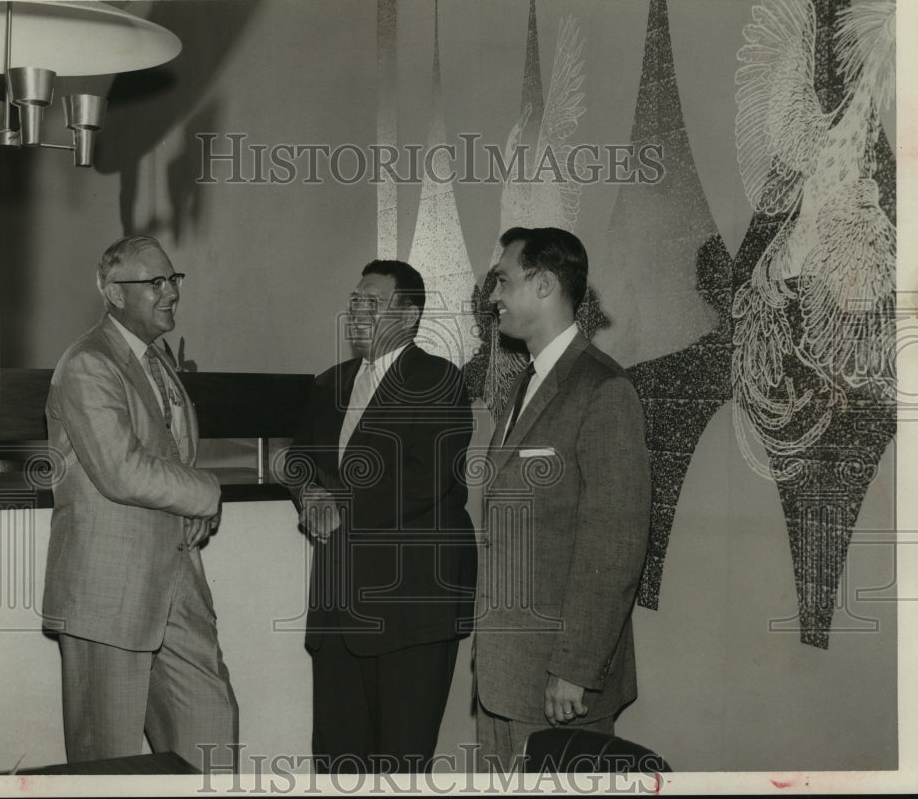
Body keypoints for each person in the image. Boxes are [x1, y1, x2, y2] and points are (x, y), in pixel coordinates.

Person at [42, 235, 239, 772]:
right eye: (155, 282)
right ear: (113, 293)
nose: (171, 291)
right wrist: (206, 494)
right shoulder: (87, 363)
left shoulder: (157, 361)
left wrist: (188, 508)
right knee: (107, 765)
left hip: (177, 585)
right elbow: (121, 470)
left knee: (211, 741)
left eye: (173, 279)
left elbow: (168, 452)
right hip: (108, 597)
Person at [285, 259, 476, 774]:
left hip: (410, 609)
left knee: (400, 767)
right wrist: (309, 493)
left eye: (372, 302)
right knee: (337, 764)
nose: (357, 312)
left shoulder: (438, 380)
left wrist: (336, 504)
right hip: (337, 613)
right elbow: (299, 459)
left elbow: (424, 478)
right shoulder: (330, 383)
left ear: (409, 316)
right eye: (354, 301)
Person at [474, 226, 651, 770]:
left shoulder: (603, 389)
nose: (494, 296)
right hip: (505, 675)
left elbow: (615, 545)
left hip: (559, 684)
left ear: (545, 284)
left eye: (503, 281)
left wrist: (575, 668)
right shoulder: (523, 384)